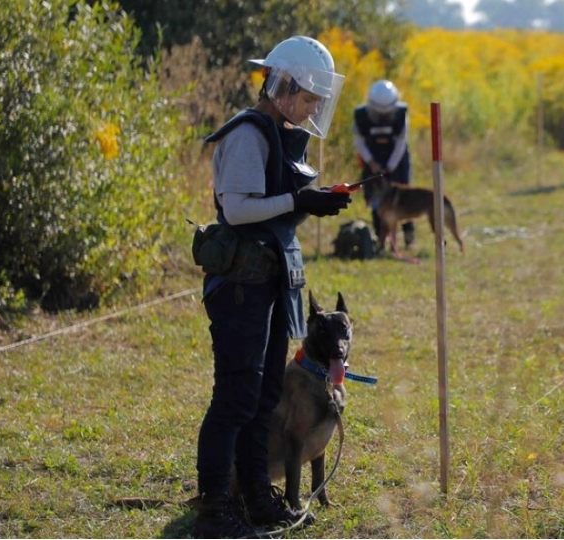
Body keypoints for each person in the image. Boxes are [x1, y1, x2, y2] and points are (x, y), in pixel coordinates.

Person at [193, 35, 351, 538]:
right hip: (240, 288)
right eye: (307, 99)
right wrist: (299, 200)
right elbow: (238, 209)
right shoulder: (248, 134)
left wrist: (311, 199)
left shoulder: (278, 131)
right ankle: (216, 505)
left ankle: (258, 497)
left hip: (268, 286)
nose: (310, 111)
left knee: (263, 398)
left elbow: (277, 207)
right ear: (281, 85)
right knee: (235, 398)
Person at [352, 79, 414, 250]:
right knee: (376, 199)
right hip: (372, 158)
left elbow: (401, 143)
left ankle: (409, 236)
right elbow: (359, 142)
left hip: (397, 159)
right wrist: (371, 162)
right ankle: (380, 238)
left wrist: (390, 167)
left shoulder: (401, 114)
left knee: (404, 196)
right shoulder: (361, 116)